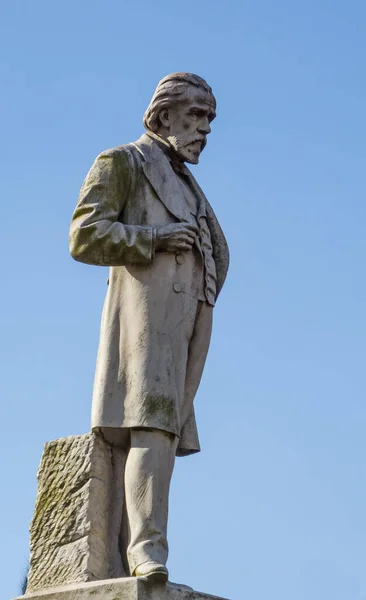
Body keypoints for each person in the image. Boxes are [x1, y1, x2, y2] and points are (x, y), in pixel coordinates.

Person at [69, 72, 229, 583]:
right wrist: (155, 237)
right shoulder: (125, 162)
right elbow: (84, 235)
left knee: (164, 428)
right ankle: (145, 551)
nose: (205, 128)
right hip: (144, 319)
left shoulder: (189, 185)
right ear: (163, 116)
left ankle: (131, 546)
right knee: (152, 423)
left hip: (186, 321)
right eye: (196, 115)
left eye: (210, 119)